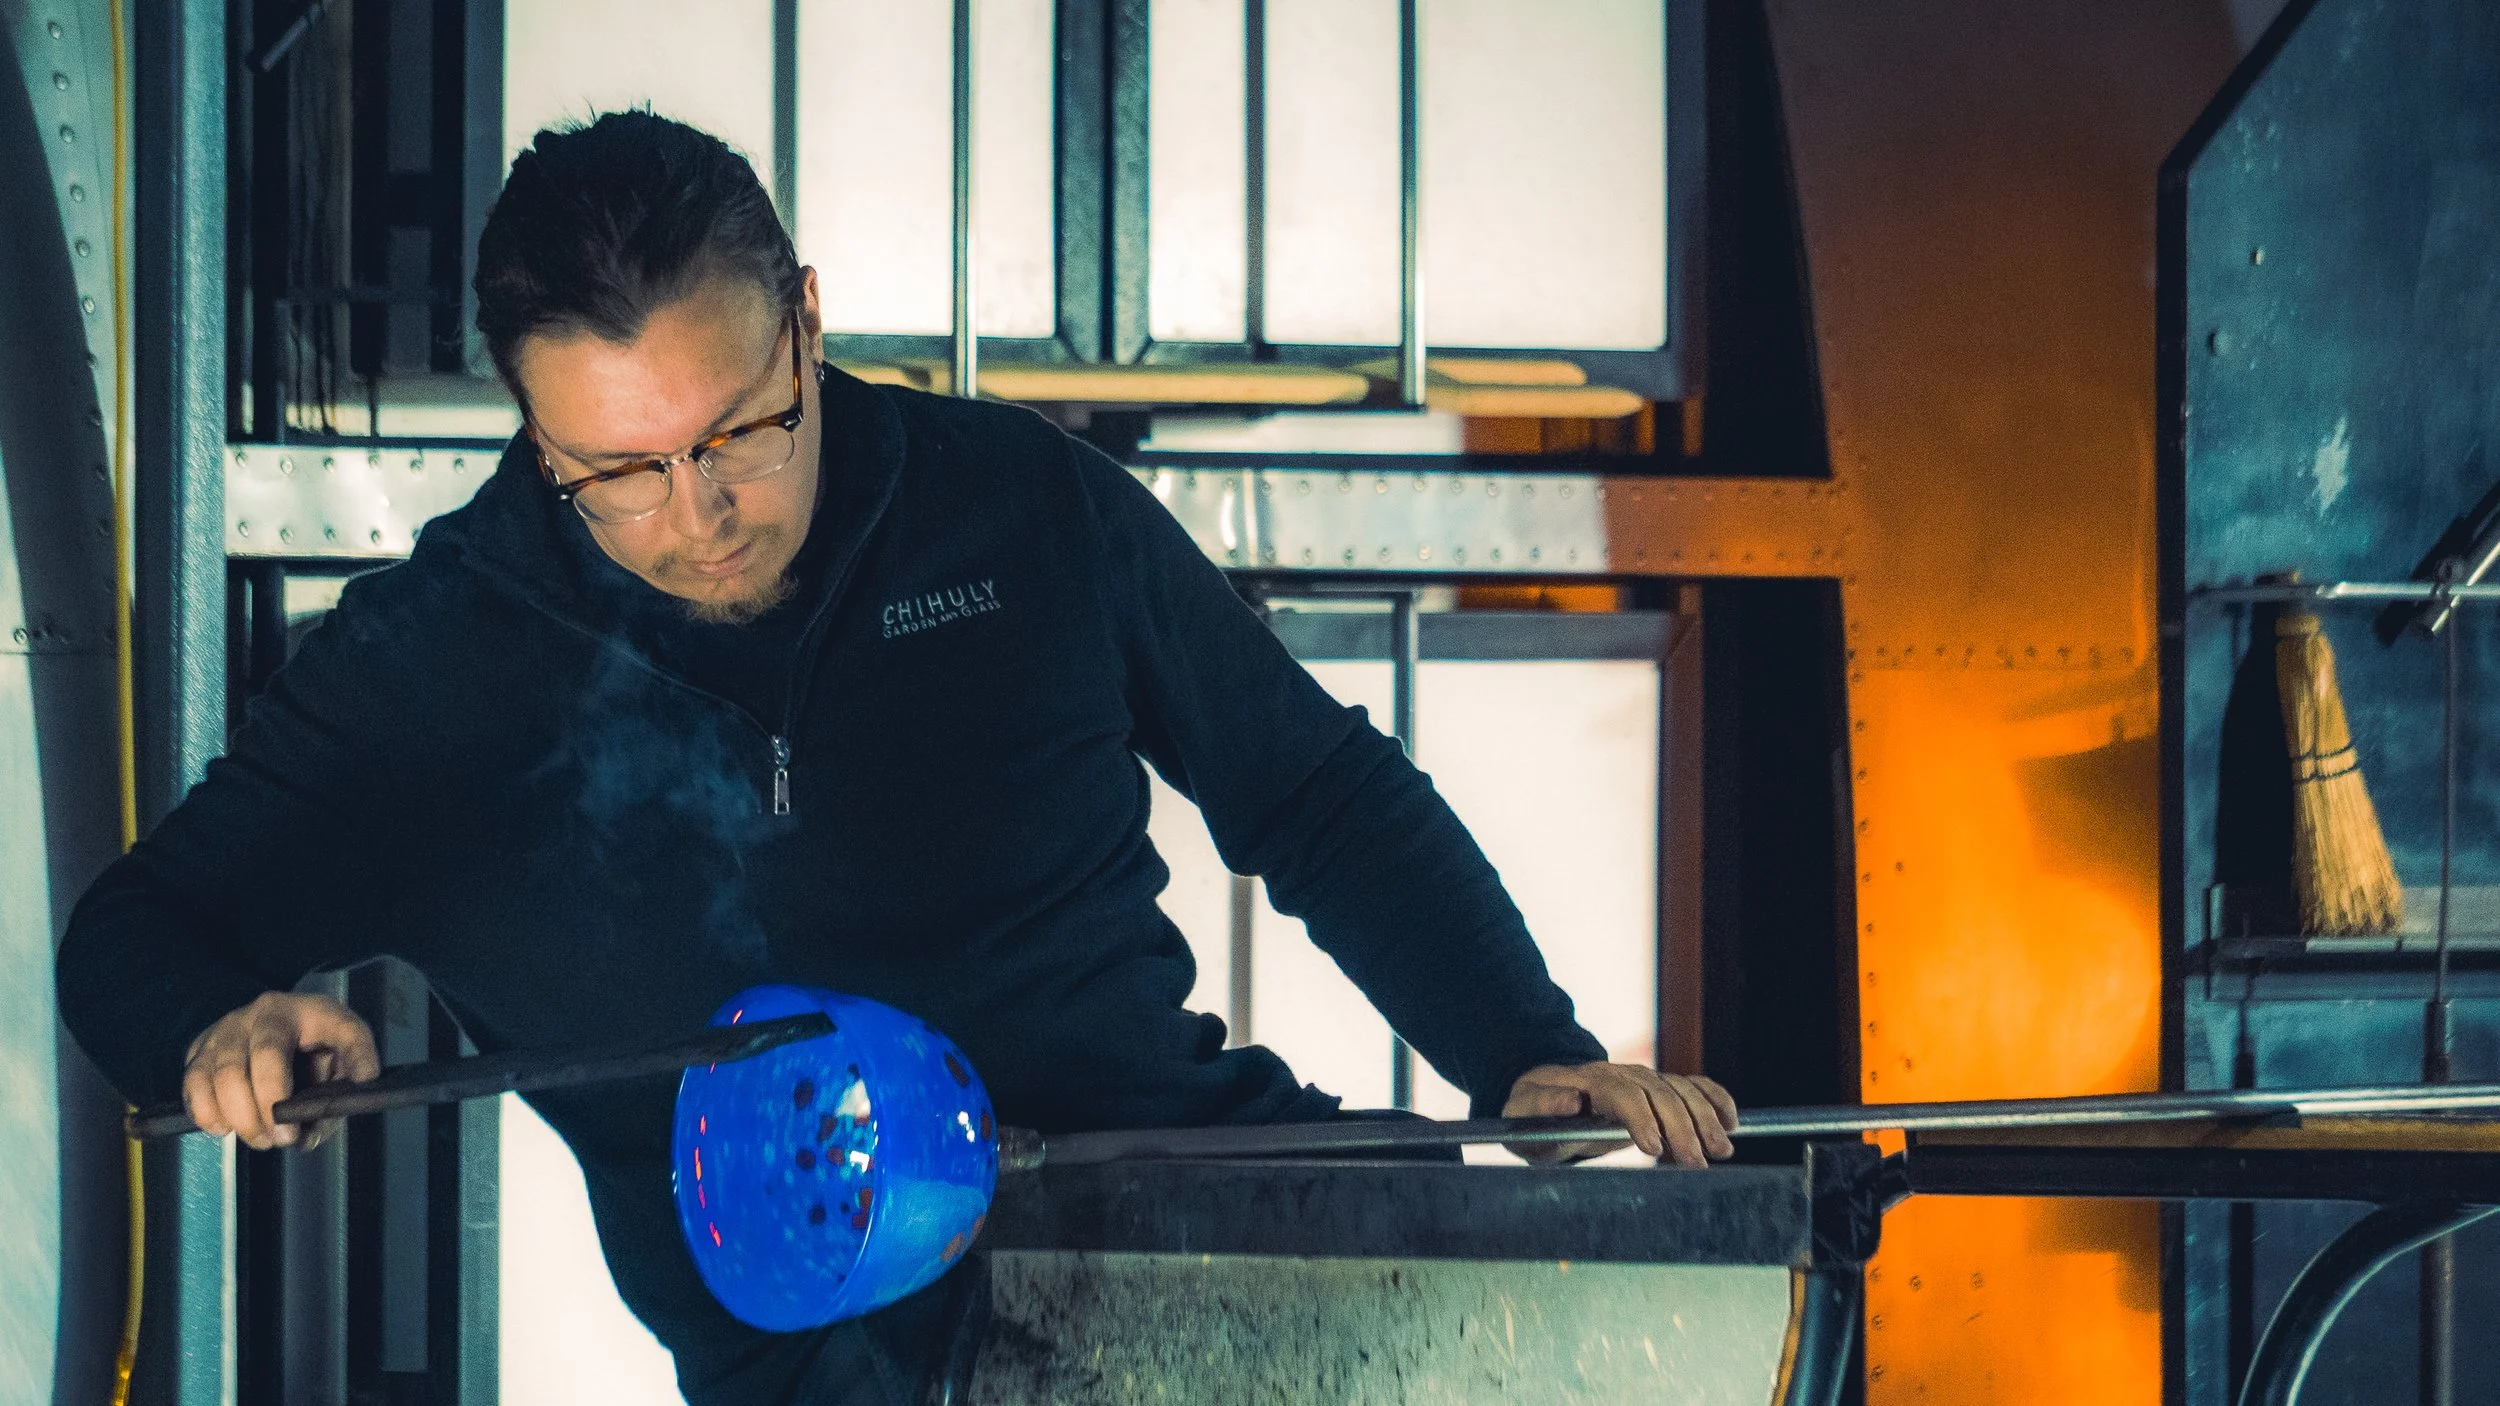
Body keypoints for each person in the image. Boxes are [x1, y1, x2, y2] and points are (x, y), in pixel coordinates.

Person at [56, 110, 1737, 1405]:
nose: (696, 515)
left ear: (803, 317)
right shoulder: (428, 672)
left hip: (1210, 1232)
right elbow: (130, 934)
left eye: (737, 431)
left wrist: (1525, 1047)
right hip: (845, 1372)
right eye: (614, 470)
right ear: (528, 419)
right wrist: (219, 1020)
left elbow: (1320, 794)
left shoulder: (1024, 506)